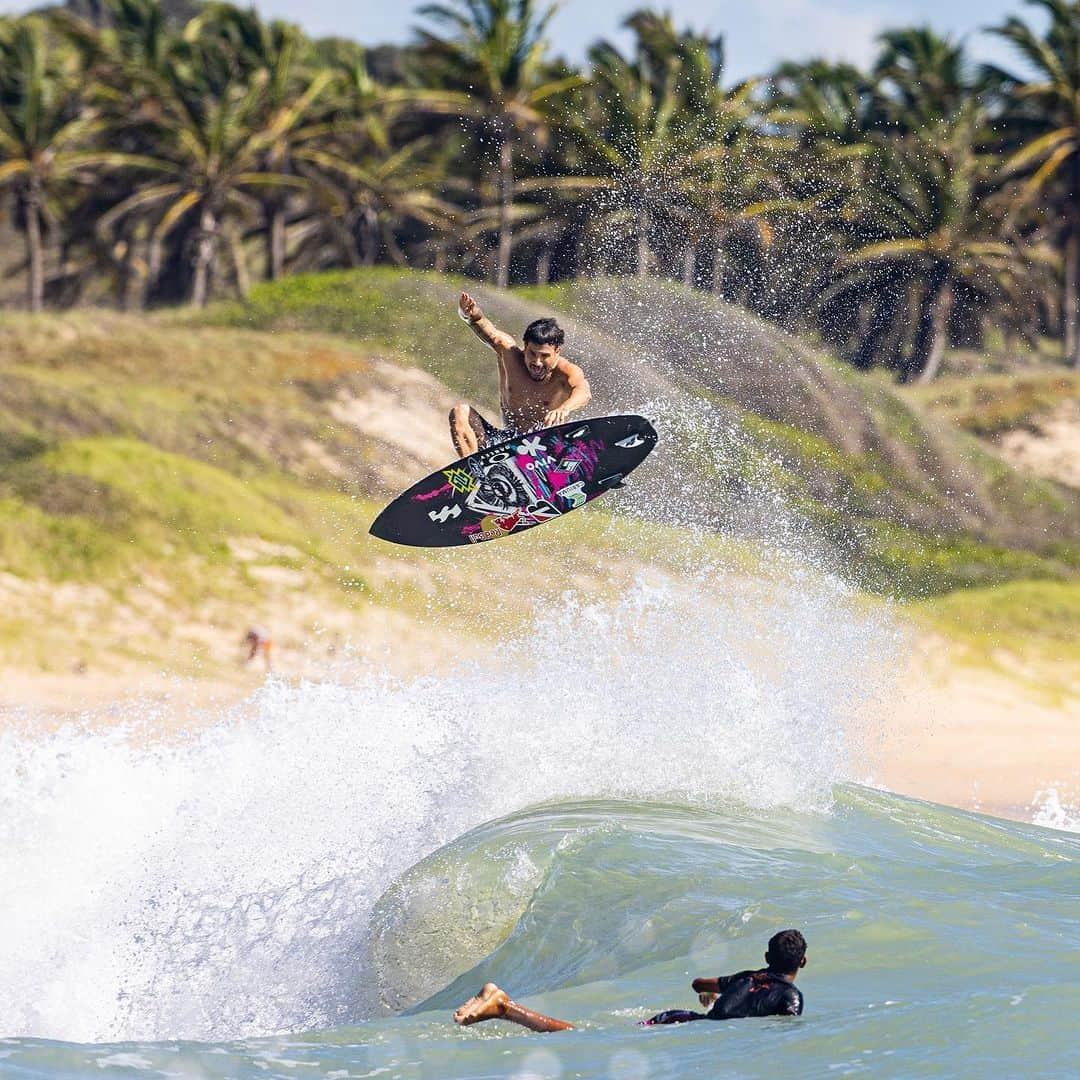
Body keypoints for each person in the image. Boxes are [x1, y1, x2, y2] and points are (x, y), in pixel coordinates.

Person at [452, 929, 807, 1034]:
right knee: (581, 1037)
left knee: (589, 1034)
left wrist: (712, 995)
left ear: (766, 958)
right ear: (802, 962)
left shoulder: (746, 976)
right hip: (689, 1031)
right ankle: (504, 1006)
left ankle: (504, 1007)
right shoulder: (790, 997)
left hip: (676, 1017)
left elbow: (700, 984)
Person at [448, 292, 592, 457]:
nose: (537, 362)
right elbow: (485, 328)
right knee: (460, 412)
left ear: (557, 351)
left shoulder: (566, 372)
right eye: (532, 353)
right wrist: (469, 314)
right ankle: (475, 473)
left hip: (544, 449)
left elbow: (584, 392)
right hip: (506, 444)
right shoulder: (509, 354)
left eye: (544, 356)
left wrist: (564, 409)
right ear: (525, 346)